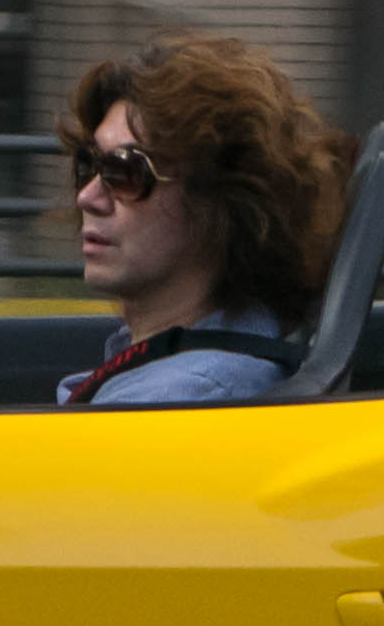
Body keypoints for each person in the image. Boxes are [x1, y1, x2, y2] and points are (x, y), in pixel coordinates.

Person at [52, 34, 350, 407]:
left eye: (125, 172)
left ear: (217, 201)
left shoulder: (174, 399)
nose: (87, 197)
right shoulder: (186, 354)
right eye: (88, 164)